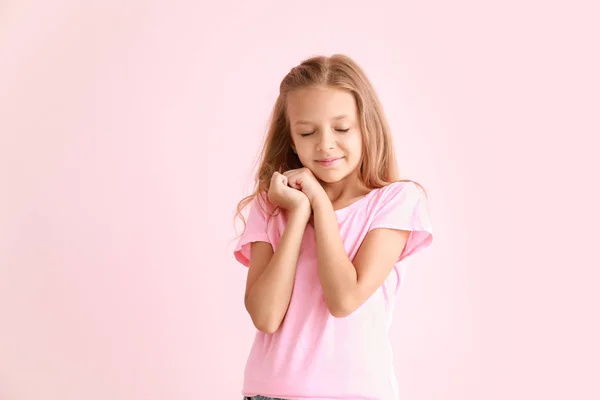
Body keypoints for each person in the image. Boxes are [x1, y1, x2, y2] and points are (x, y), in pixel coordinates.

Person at [233, 54, 434, 400]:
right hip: (268, 394)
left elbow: (343, 299)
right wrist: (298, 213)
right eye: (307, 132)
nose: (325, 144)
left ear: (366, 129)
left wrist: (320, 203)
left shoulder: (395, 201)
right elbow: (265, 316)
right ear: (292, 139)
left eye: (341, 128)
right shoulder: (272, 206)